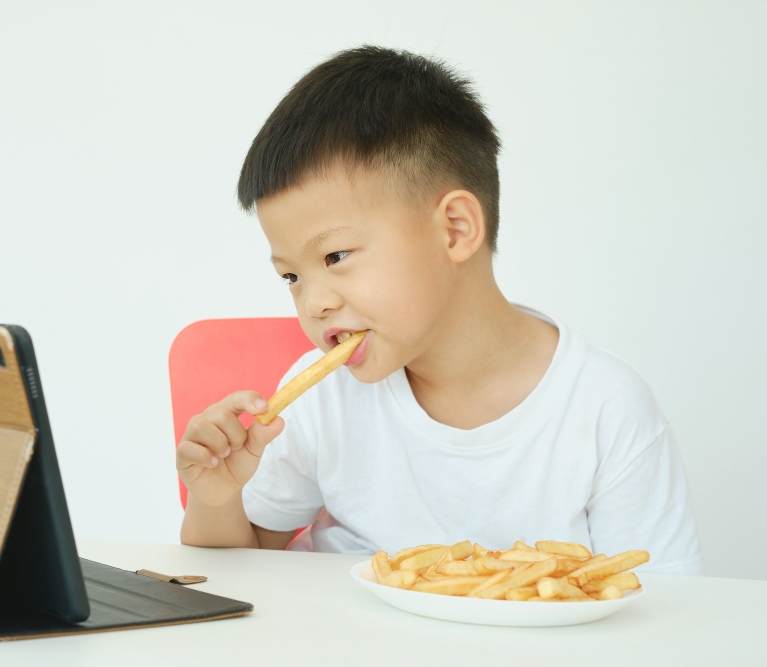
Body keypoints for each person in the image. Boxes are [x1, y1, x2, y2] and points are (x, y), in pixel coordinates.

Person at [175, 46, 702, 573]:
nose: (314, 303)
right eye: (291, 276)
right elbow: (240, 569)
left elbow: (661, 610)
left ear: (454, 229)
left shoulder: (605, 410)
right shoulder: (324, 400)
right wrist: (216, 499)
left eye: (336, 256)